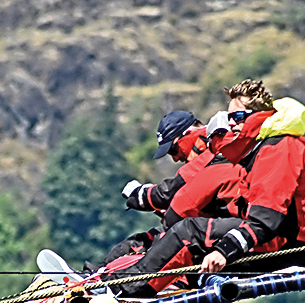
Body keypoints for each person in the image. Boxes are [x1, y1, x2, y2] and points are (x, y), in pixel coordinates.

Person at [106, 80, 305, 297]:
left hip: (294, 244)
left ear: (259, 115)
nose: (231, 124)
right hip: (282, 234)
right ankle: (115, 280)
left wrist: (224, 250)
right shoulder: (258, 148)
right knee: (189, 237)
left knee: (188, 232)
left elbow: (265, 220)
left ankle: (125, 290)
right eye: (229, 118)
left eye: (237, 117)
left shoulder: (278, 148)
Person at [88, 110, 216, 270]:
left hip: (209, 235)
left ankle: (101, 278)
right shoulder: (206, 152)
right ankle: (93, 275)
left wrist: (139, 195)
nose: (175, 158)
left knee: (145, 249)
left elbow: (168, 193)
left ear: (188, 133)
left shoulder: (212, 151)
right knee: (136, 242)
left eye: (173, 150)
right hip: (198, 229)